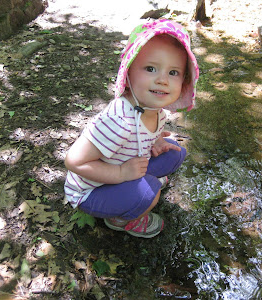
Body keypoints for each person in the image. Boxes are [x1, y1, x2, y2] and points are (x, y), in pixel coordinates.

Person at [63, 19, 199, 238]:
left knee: (177, 152)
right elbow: (73, 161)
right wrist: (120, 173)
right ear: (129, 73)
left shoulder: (155, 110)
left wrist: (157, 143)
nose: (162, 80)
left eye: (173, 72)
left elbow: (142, 137)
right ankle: (122, 219)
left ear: (184, 81)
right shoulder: (118, 121)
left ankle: (139, 187)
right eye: (151, 68)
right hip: (91, 190)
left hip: (125, 167)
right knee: (149, 191)